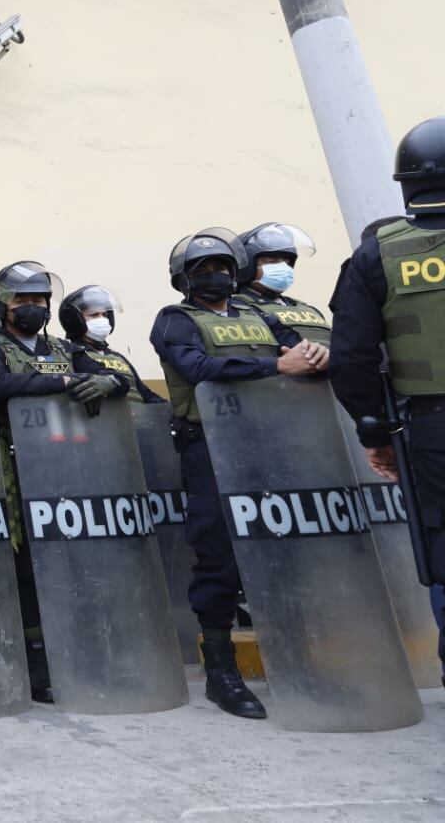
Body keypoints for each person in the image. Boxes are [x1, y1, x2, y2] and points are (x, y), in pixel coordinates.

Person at [151, 227, 328, 720]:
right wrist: (278, 366)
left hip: (271, 442)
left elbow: (299, 350)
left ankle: (300, 656)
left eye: (223, 268)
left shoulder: (257, 314)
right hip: (209, 445)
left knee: (287, 546)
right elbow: (199, 366)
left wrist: (317, 356)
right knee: (219, 554)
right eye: (203, 270)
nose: (215, 276)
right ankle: (221, 671)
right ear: (184, 279)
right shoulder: (175, 319)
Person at [0, 261, 125, 703]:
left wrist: (109, 382)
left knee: (74, 561)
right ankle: (36, 662)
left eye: (40, 300)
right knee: (27, 566)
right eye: (24, 301)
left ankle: (84, 652)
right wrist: (67, 381)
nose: (34, 308)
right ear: (3, 306)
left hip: (69, 469)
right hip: (14, 470)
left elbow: (112, 374)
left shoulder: (62, 346)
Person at [330, 118, 445, 683]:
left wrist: (375, 434)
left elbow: (351, 359)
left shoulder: (378, 256)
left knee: (443, 548)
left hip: (432, 428)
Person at [58, 285, 165, 403]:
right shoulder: (73, 354)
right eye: (94, 315)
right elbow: (97, 372)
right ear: (75, 321)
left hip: (136, 419)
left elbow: (144, 392)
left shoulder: (118, 357)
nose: (102, 319)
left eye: (105, 315)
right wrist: (115, 381)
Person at [236, 222, 330, 345]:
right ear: (247, 268)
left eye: (286, 262)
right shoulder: (237, 308)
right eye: (272, 262)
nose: (283, 268)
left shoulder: (309, 310)